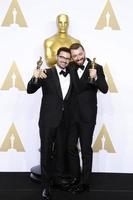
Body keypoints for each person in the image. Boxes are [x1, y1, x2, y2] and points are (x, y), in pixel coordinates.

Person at [27, 47, 72, 200]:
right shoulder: (46, 72)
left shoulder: (72, 73)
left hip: (64, 121)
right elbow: (30, 90)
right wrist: (34, 77)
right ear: (56, 57)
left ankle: (58, 180)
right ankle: (45, 186)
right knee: (46, 153)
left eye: (67, 58)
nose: (64, 60)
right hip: (48, 120)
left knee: (60, 153)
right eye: (62, 57)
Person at [67, 43, 108, 194]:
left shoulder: (96, 67)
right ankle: (75, 178)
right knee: (70, 147)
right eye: (75, 56)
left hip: (87, 116)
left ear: (84, 51)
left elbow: (104, 89)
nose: (78, 58)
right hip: (71, 115)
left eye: (80, 54)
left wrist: (95, 77)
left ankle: (85, 183)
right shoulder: (70, 67)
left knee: (85, 149)